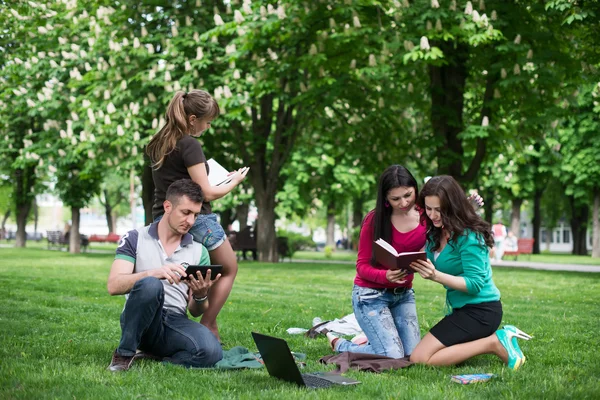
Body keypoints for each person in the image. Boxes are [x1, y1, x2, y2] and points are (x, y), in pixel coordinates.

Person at [146, 90, 249, 342]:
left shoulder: (158, 142)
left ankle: (172, 325)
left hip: (164, 216)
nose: (208, 126)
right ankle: (208, 324)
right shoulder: (189, 144)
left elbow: (174, 181)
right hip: (197, 218)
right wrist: (234, 181)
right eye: (208, 121)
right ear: (193, 119)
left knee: (180, 274)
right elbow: (206, 194)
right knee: (229, 268)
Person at [408, 175, 531, 370]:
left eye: (439, 210)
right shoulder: (435, 233)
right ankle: (489, 342)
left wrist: (435, 276)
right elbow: (428, 259)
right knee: (425, 356)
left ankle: (494, 342)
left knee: (420, 358)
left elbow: (475, 285)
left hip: (482, 311)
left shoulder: (469, 236)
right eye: (429, 208)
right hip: (462, 310)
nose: (432, 215)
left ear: (452, 206)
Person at [107, 179, 223, 372]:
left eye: (195, 214)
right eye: (186, 213)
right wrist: (153, 273)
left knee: (212, 352)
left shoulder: (199, 251)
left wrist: (201, 295)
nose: (191, 221)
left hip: (175, 321)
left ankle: (157, 356)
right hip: (140, 320)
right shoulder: (135, 238)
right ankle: (124, 353)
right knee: (151, 285)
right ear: (167, 206)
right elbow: (113, 286)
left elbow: (195, 311)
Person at [327, 165, 424, 358]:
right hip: (371, 296)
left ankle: (373, 338)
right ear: (385, 198)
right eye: (395, 199)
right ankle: (340, 344)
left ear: (415, 189)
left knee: (413, 355)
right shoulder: (375, 219)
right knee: (392, 355)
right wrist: (385, 275)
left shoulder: (426, 215)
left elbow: (451, 226)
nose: (403, 203)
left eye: (408, 195)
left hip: (403, 294)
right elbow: (361, 266)